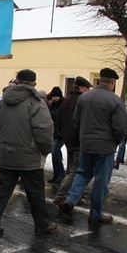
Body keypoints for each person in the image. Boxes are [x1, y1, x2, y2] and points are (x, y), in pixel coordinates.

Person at [0, 69, 56, 240]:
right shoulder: (37, 103)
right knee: (35, 193)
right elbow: (44, 132)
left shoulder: (3, 102)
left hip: (7, 155)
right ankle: (41, 225)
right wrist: (45, 150)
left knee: (2, 193)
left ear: (17, 81)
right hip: (30, 158)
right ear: (34, 84)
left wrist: (5, 143)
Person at [59, 68, 126, 223]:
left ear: (99, 80)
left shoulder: (84, 98)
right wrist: (116, 141)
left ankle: (70, 199)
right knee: (101, 180)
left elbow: (76, 121)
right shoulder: (116, 101)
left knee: (82, 174)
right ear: (113, 82)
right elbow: (120, 128)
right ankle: (96, 213)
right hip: (105, 147)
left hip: (86, 144)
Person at [53, 76, 92, 207]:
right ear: (81, 88)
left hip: (68, 139)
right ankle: (61, 196)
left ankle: (72, 195)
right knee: (76, 171)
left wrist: (62, 134)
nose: (88, 91)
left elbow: (59, 119)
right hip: (77, 140)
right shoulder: (81, 101)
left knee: (71, 169)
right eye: (87, 88)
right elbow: (80, 122)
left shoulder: (66, 100)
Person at [47, 86, 65, 183]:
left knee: (55, 152)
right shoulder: (53, 105)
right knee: (56, 153)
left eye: (55, 96)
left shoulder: (63, 104)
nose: (53, 98)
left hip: (61, 133)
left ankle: (61, 174)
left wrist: (61, 132)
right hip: (54, 133)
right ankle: (56, 174)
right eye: (52, 96)